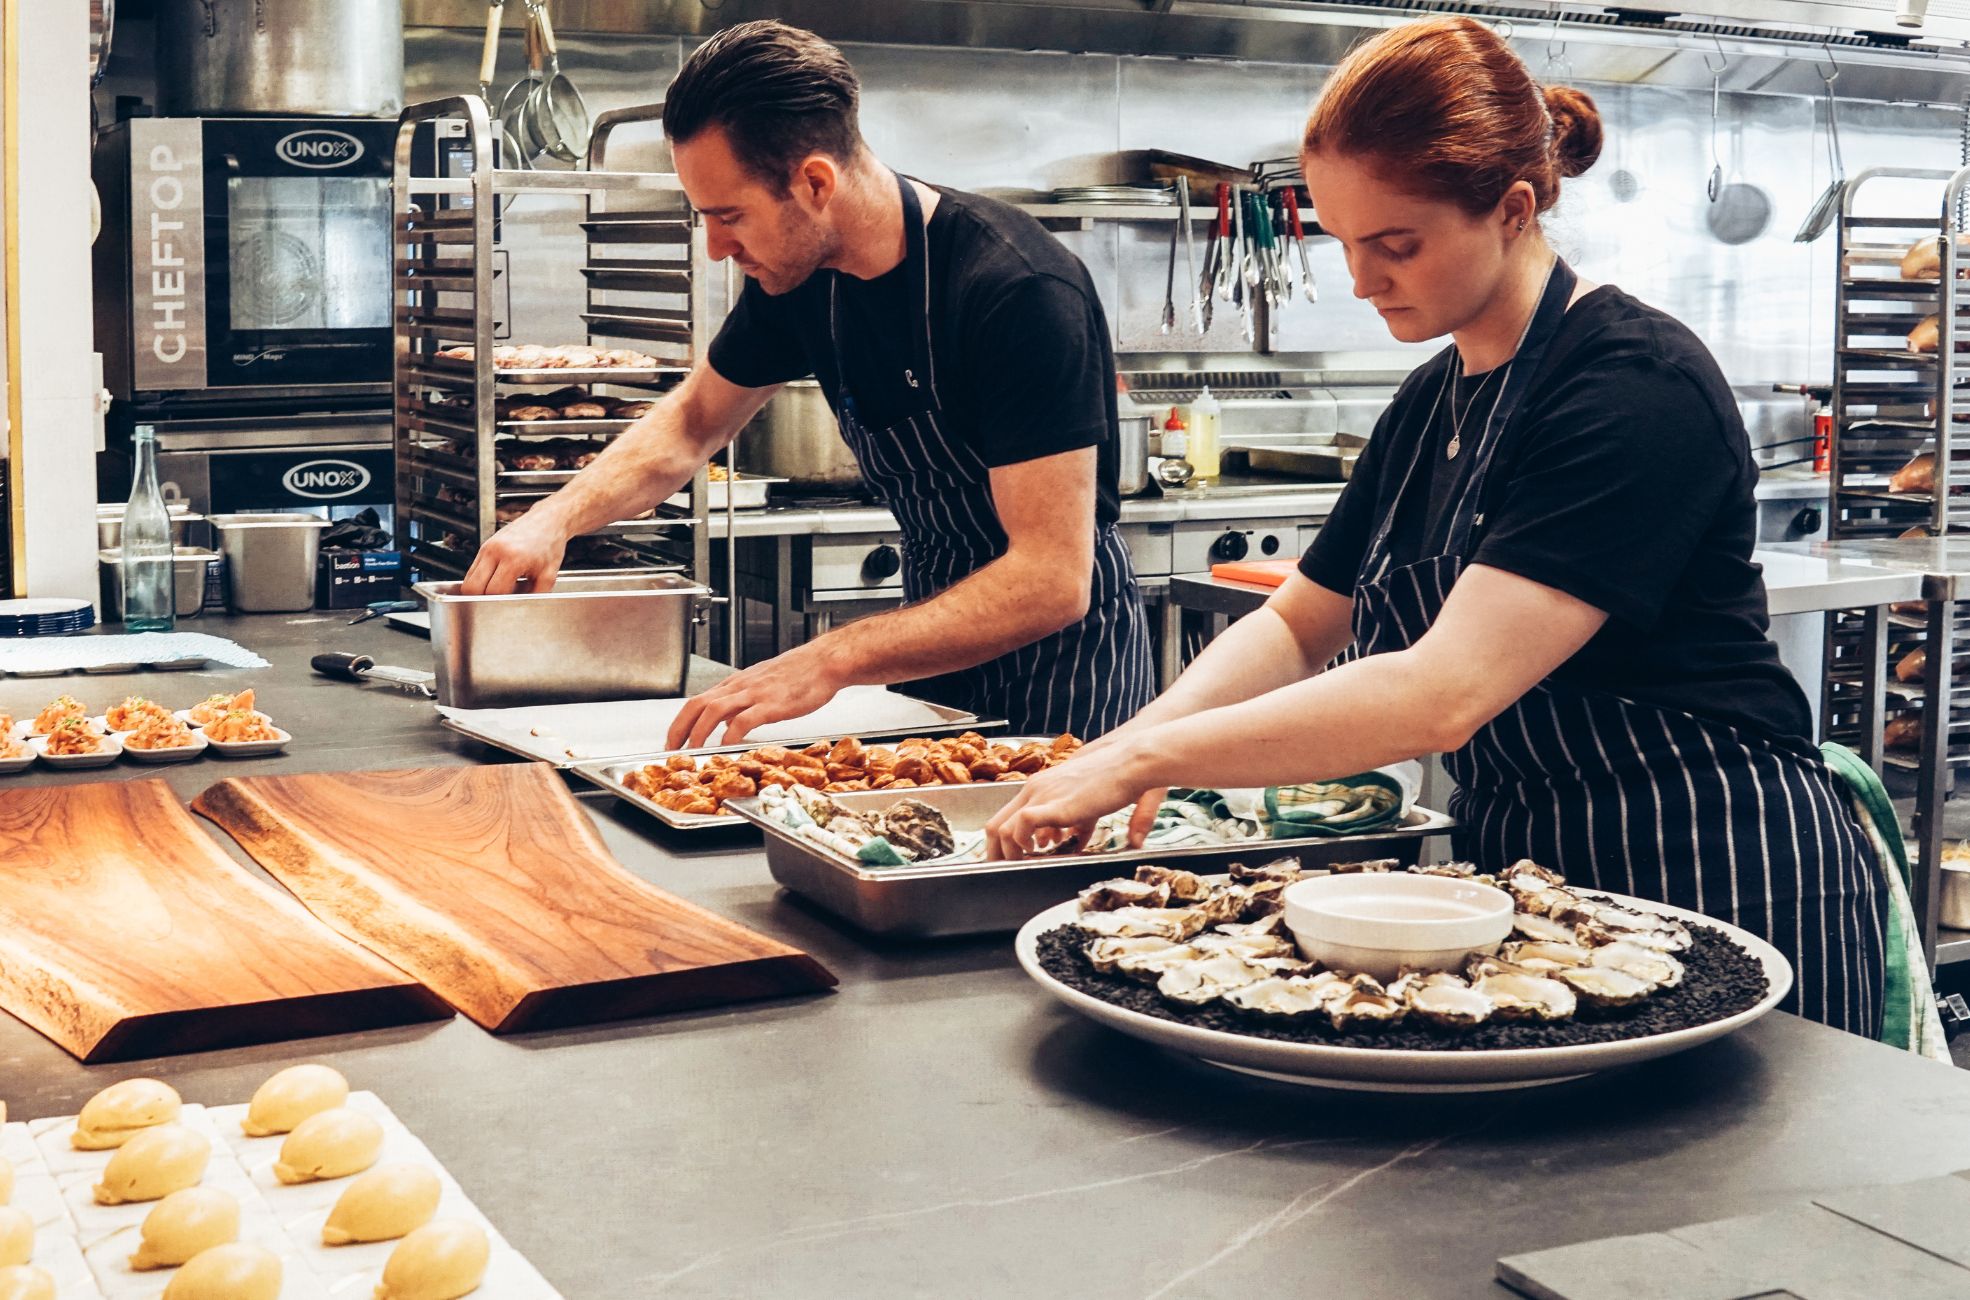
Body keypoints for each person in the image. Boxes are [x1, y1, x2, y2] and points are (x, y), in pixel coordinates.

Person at [985, 16, 1885, 1035]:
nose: (1362, 281)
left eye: (1394, 245)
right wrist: (1127, 742)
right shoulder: (1428, 402)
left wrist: (1152, 761)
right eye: (1342, 244)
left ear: (1509, 209)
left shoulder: (1630, 385)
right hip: (1534, 890)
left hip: (1718, 865)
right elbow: (1294, 627)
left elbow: (1440, 693)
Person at [462, 20, 1154, 745]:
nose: (718, 247)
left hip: (1068, 683)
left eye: (730, 217)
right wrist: (553, 519)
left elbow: (1050, 579)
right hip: (931, 657)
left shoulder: (1015, 289)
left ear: (815, 182)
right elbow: (695, 422)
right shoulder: (802, 280)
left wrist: (829, 659)